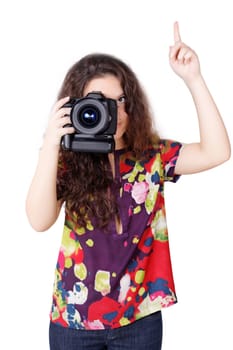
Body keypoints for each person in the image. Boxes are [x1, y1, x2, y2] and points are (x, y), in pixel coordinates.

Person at [26, 22, 231, 350]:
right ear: (76, 107)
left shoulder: (152, 156)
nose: (114, 112)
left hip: (139, 317)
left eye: (120, 100)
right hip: (74, 318)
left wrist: (193, 78)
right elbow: (38, 221)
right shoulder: (65, 160)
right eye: (99, 101)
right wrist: (51, 143)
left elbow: (218, 152)